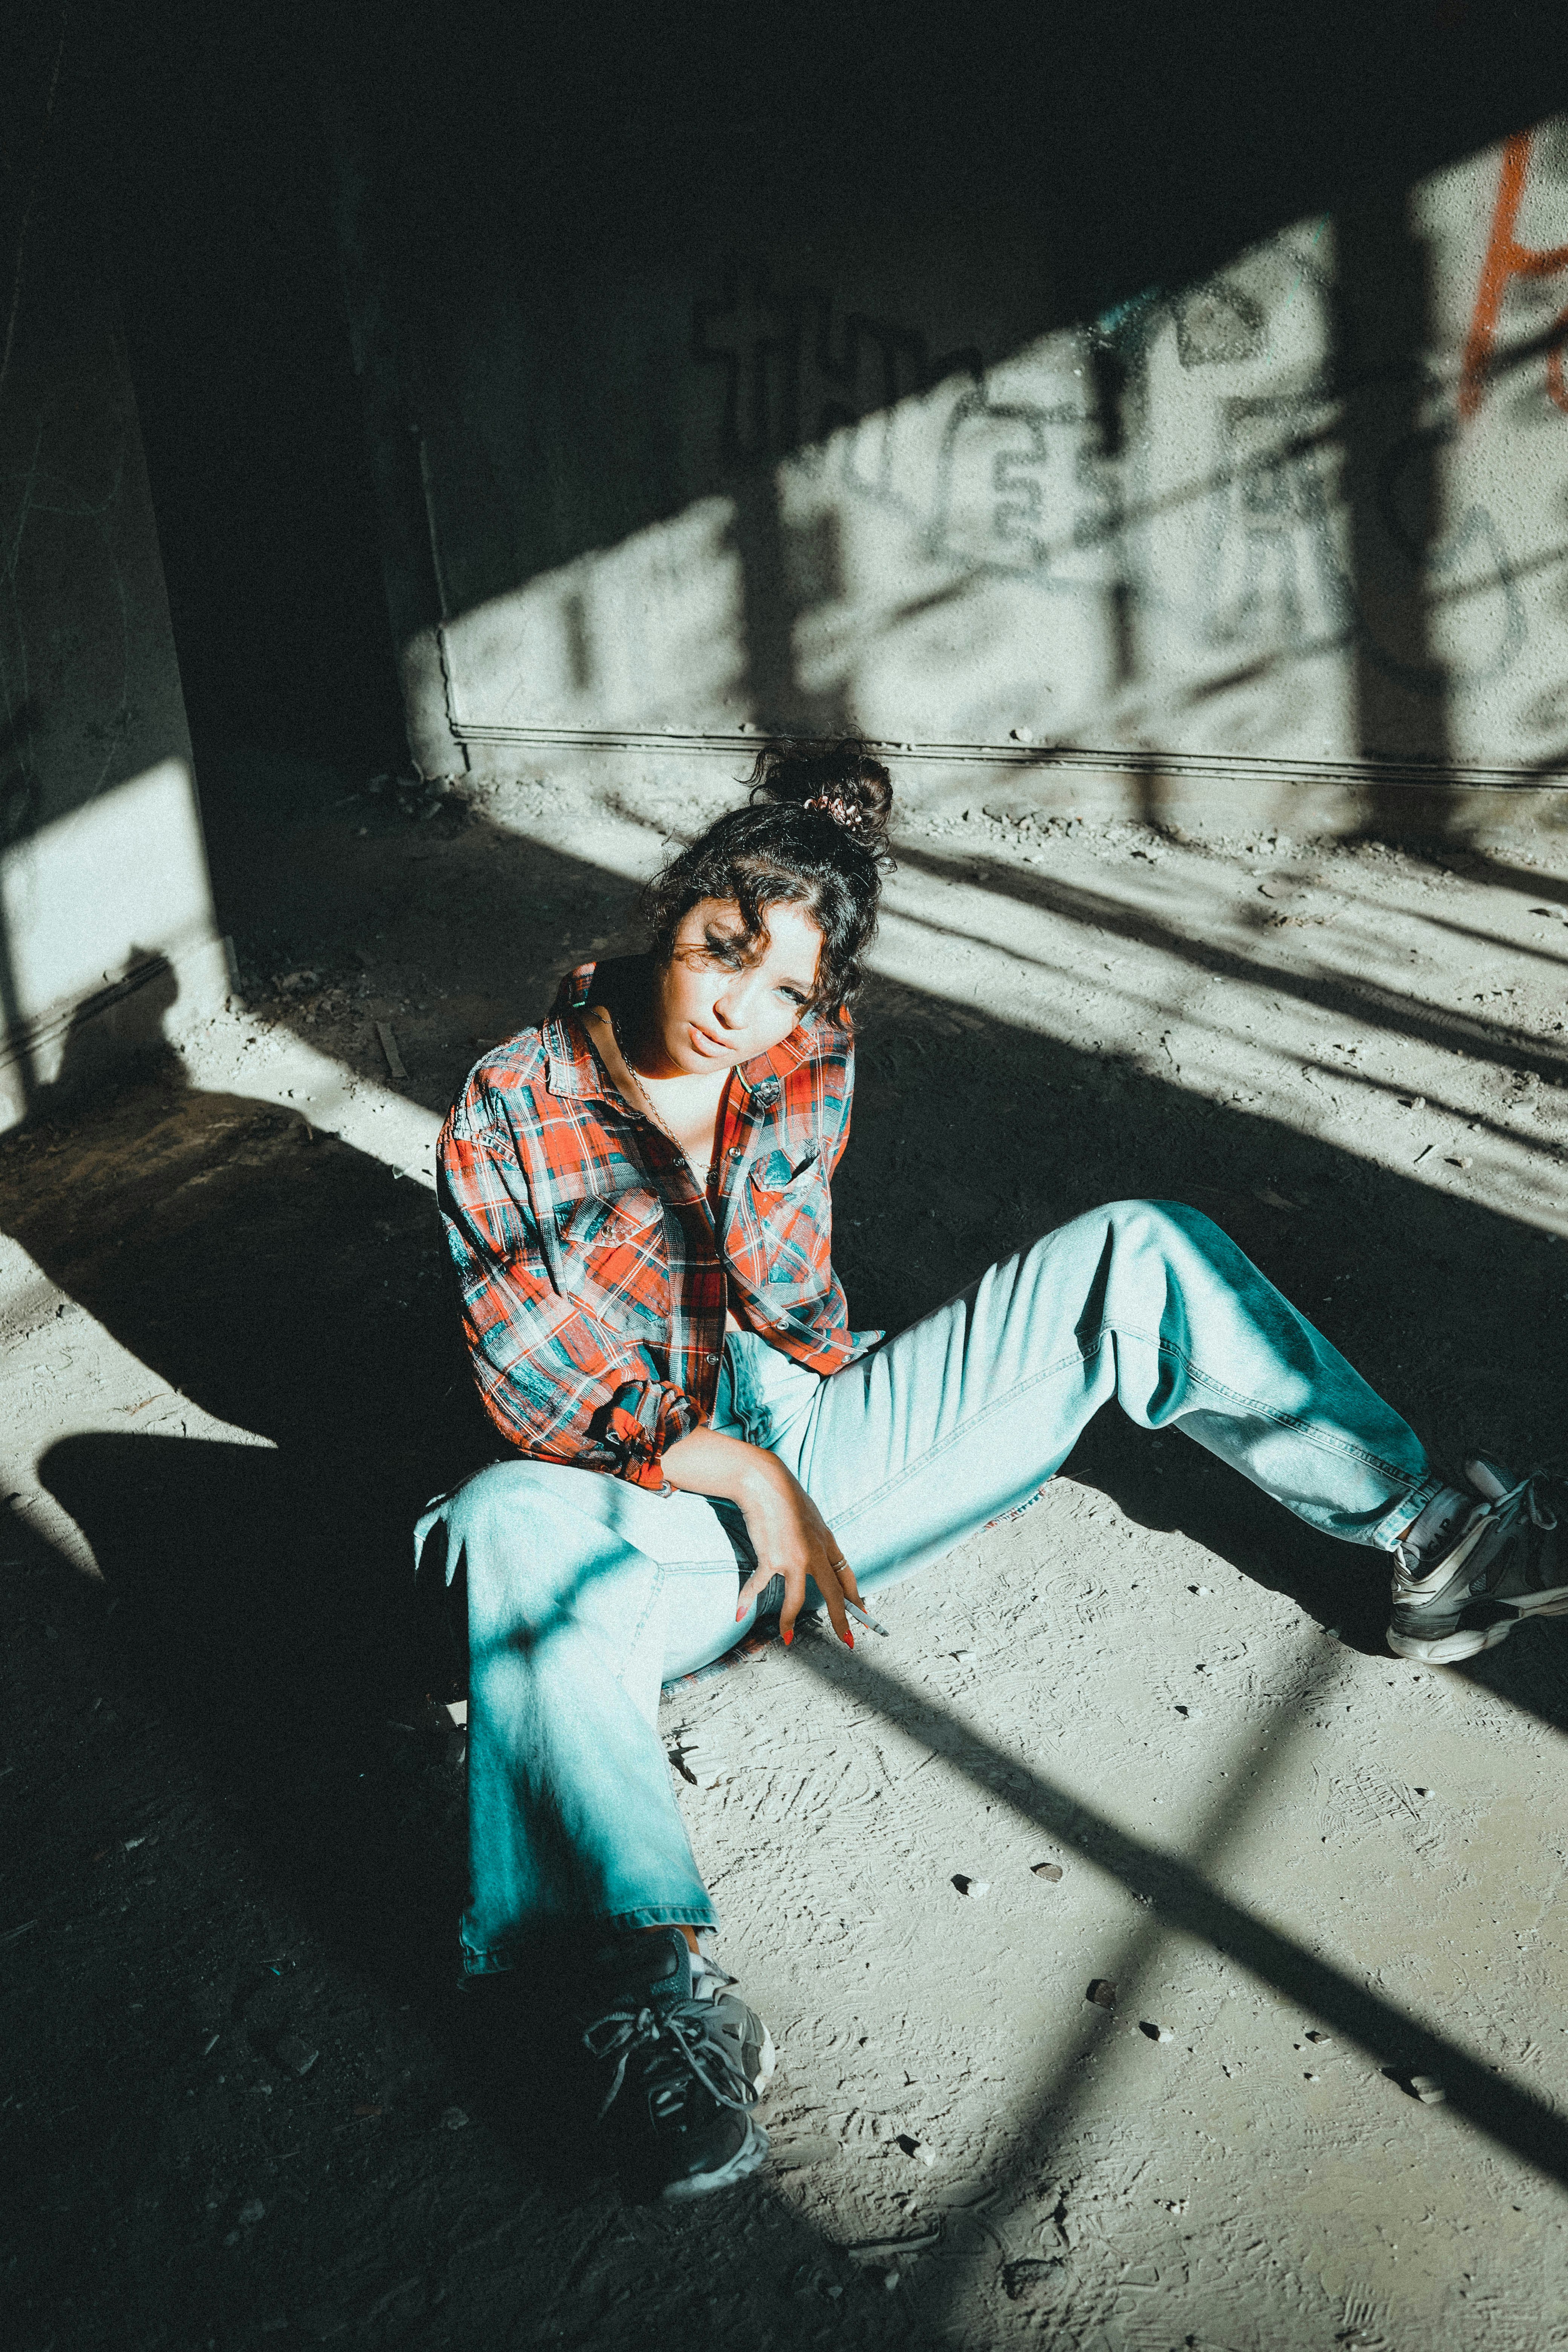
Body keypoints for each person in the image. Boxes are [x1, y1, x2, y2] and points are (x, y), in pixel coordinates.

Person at [422, 739, 1566, 2200]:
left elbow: (789, 1305)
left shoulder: (800, 1045)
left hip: (824, 1447)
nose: (738, 1013)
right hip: (646, 1530)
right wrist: (748, 1474)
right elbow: (541, 1389)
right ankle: (631, 1990)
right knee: (501, 1518)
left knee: (1133, 1247)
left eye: (785, 989)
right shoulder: (512, 1105)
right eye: (722, 953)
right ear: (668, 909)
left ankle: (1436, 1546)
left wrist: (856, 1413)